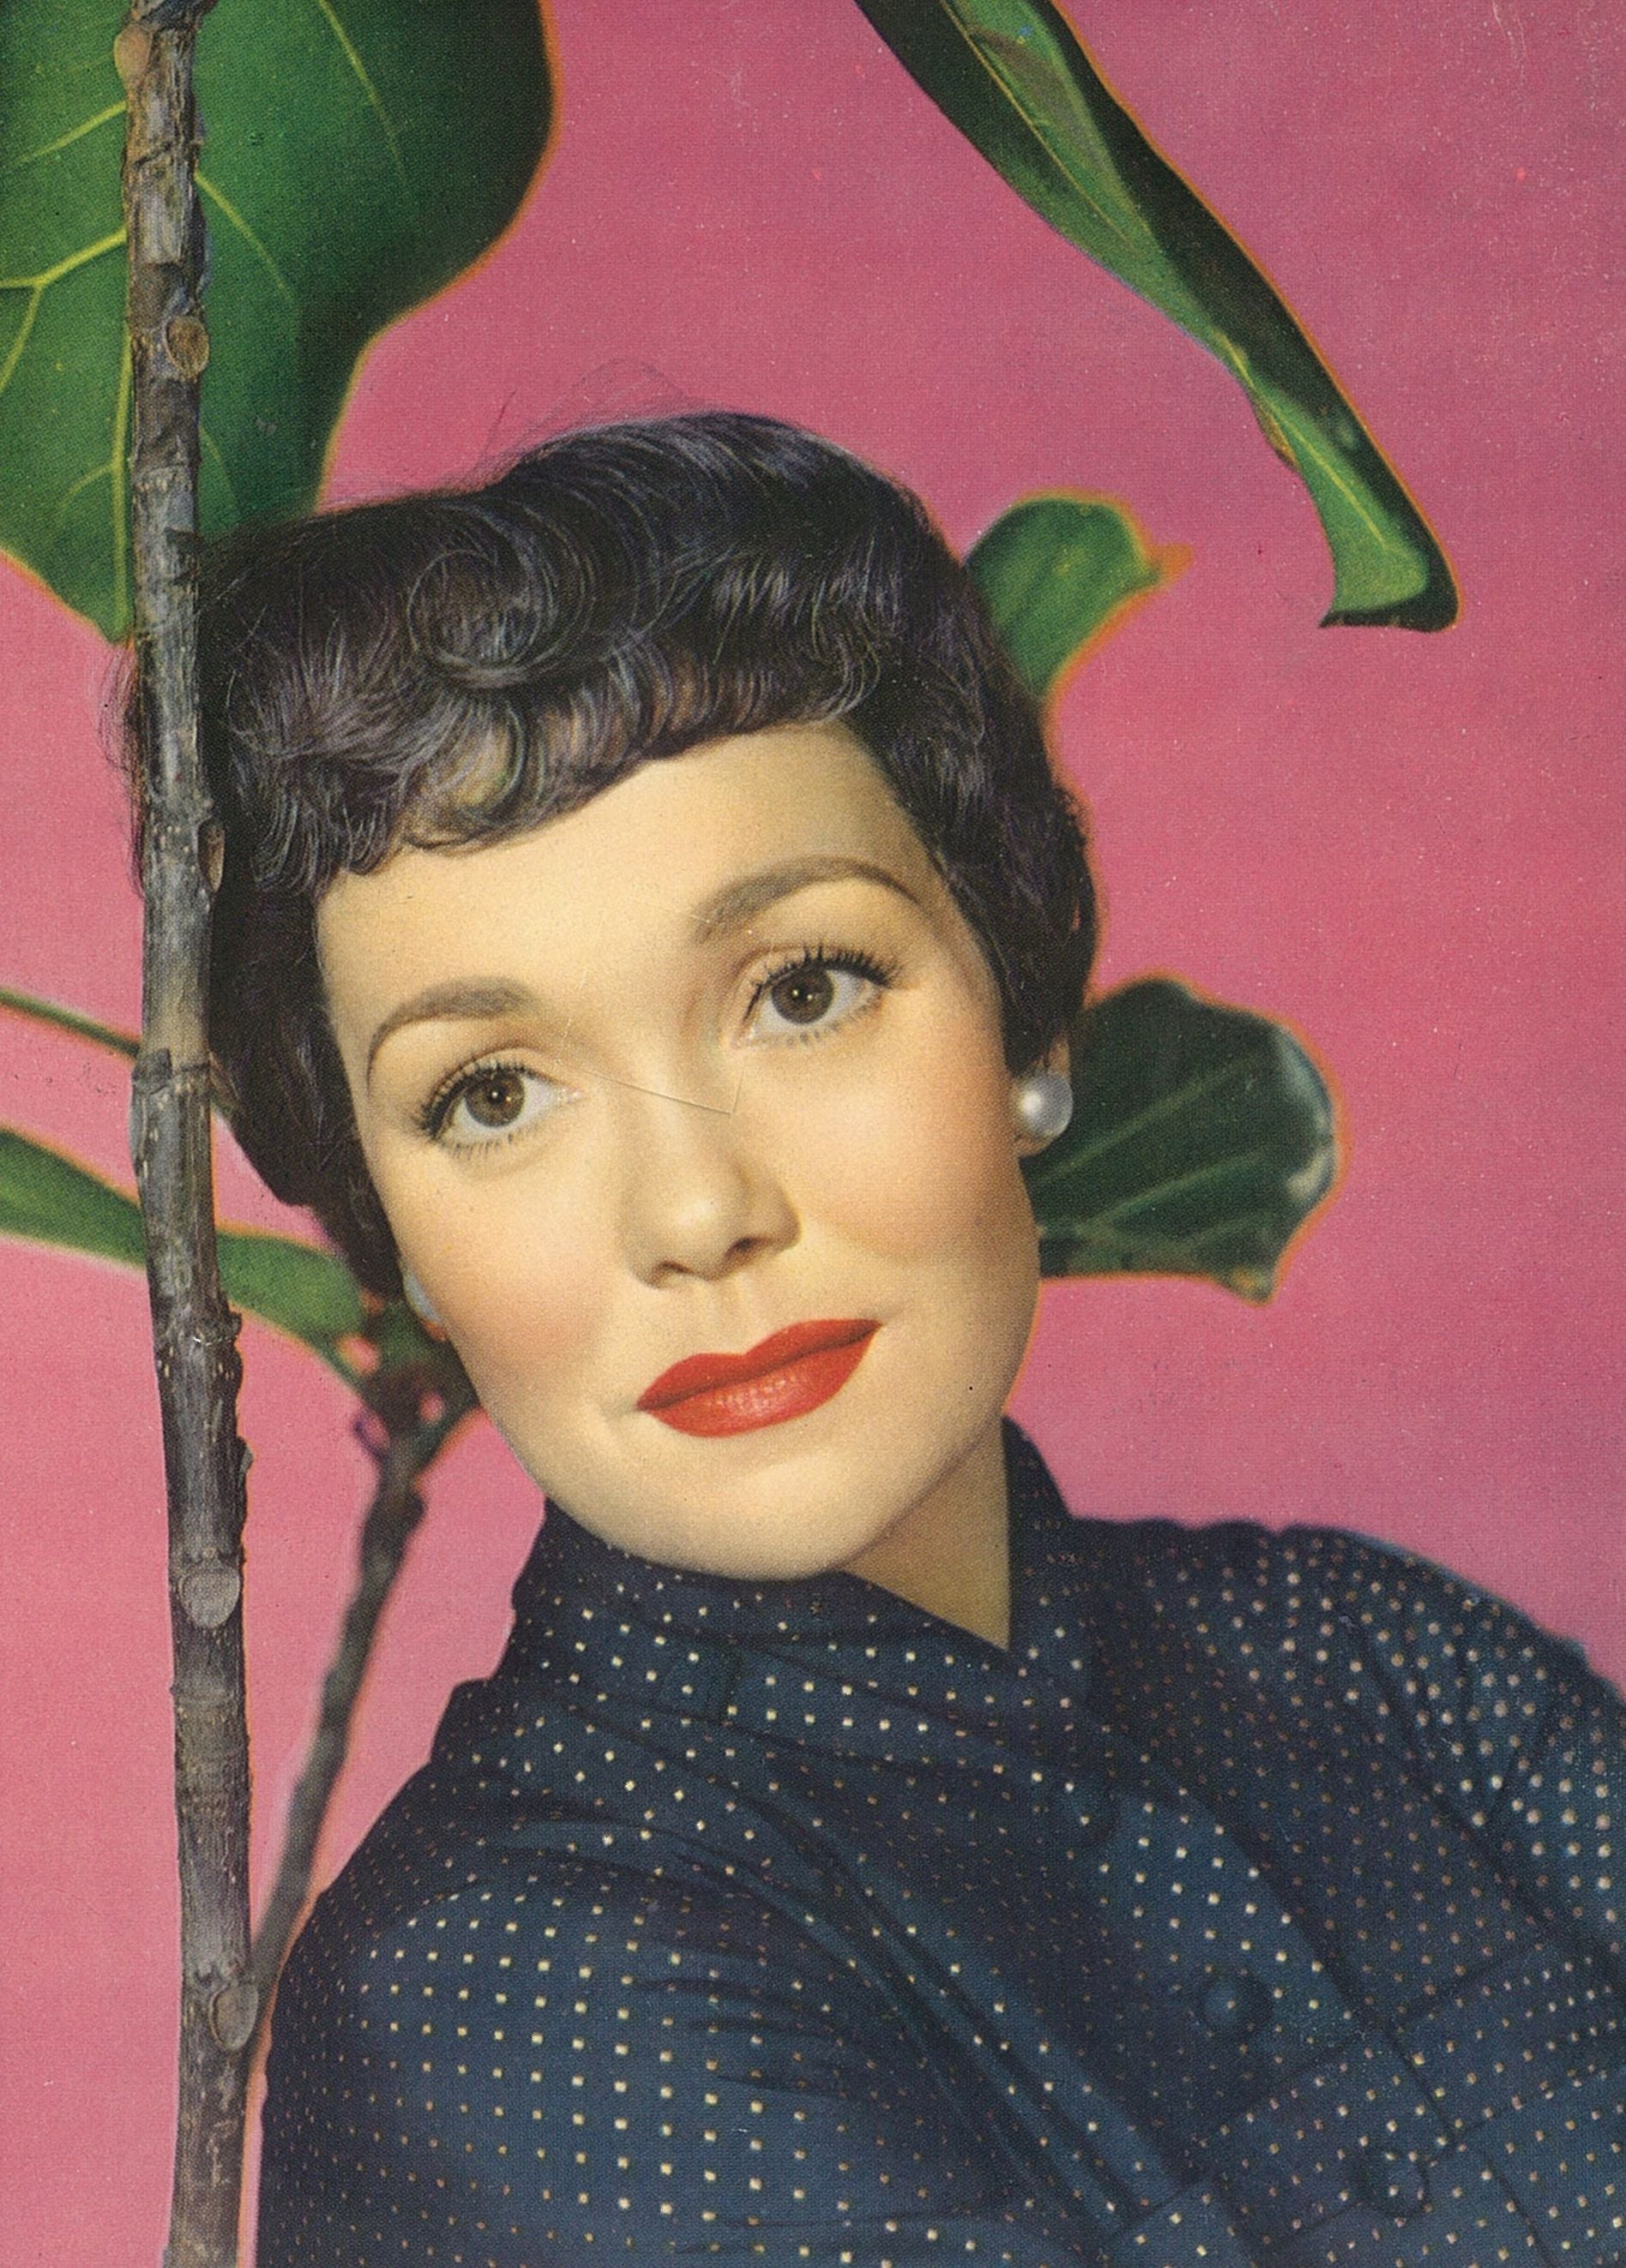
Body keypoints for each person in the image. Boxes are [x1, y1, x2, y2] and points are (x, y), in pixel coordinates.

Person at [187, 414, 1624, 2266]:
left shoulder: (1373, 1661)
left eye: (803, 988)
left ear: (1022, 1011)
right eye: (491, 1095)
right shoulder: (498, 1999)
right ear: (401, 1245)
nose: (696, 1209)